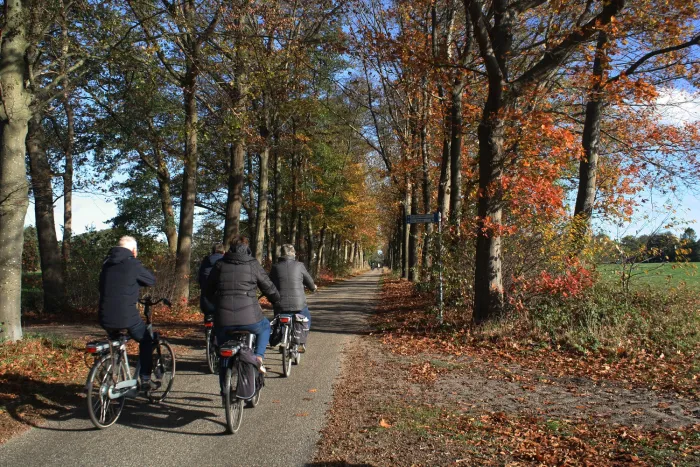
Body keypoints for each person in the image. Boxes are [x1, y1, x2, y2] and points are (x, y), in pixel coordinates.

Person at [205, 235, 280, 382]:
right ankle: (258, 356)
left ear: (230, 249)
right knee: (265, 326)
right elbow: (268, 286)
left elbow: (207, 291)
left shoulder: (220, 265)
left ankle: (224, 391)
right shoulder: (252, 264)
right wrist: (276, 299)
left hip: (224, 320)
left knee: (223, 355)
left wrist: (219, 302)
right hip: (250, 318)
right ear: (247, 249)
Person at [98, 235, 159, 391]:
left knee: (115, 341)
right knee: (146, 340)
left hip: (104, 315)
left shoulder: (107, 263)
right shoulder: (133, 264)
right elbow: (151, 280)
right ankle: (145, 379)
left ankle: (109, 368)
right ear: (133, 250)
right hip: (126, 316)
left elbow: (102, 286)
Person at [269, 244, 317, 352]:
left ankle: (280, 338)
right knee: (306, 317)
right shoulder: (299, 265)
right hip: (299, 303)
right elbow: (309, 282)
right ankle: (301, 342)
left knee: (278, 318)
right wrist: (313, 288)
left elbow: (268, 283)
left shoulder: (275, 267)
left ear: (281, 254)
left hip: (279, 302)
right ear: (293, 253)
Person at [198, 243, 225, 319]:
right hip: (222, 299)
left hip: (206, 300)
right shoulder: (226, 262)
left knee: (208, 316)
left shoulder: (205, 261)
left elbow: (200, 278)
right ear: (223, 251)